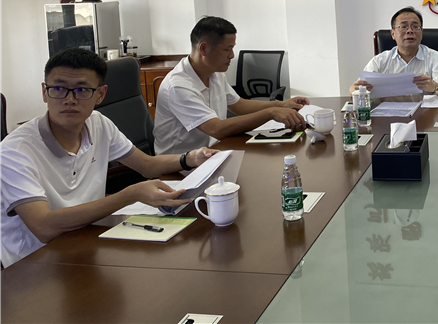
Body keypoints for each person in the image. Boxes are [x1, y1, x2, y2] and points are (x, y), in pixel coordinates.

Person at [0, 48, 219, 267]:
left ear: (100, 94)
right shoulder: (15, 151)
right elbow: (44, 227)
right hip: (33, 265)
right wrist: (129, 195)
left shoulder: (99, 124)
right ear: (44, 92)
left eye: (82, 90)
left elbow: (147, 165)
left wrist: (190, 158)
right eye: (58, 88)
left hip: (85, 242)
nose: (70, 99)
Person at [154, 17, 309, 155]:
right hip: (180, 170)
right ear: (203, 49)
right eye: (227, 49)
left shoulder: (215, 74)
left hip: (214, 152)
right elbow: (216, 129)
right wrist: (271, 112)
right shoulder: (178, 86)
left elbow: (239, 105)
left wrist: (281, 104)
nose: (232, 55)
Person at [349, 7, 438, 97]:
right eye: (403, 26)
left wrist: (433, 87)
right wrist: (357, 88)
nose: (410, 31)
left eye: (415, 27)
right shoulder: (380, 60)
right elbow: (353, 89)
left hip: (425, 112)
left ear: (421, 33)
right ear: (393, 34)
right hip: (389, 112)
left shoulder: (434, 57)